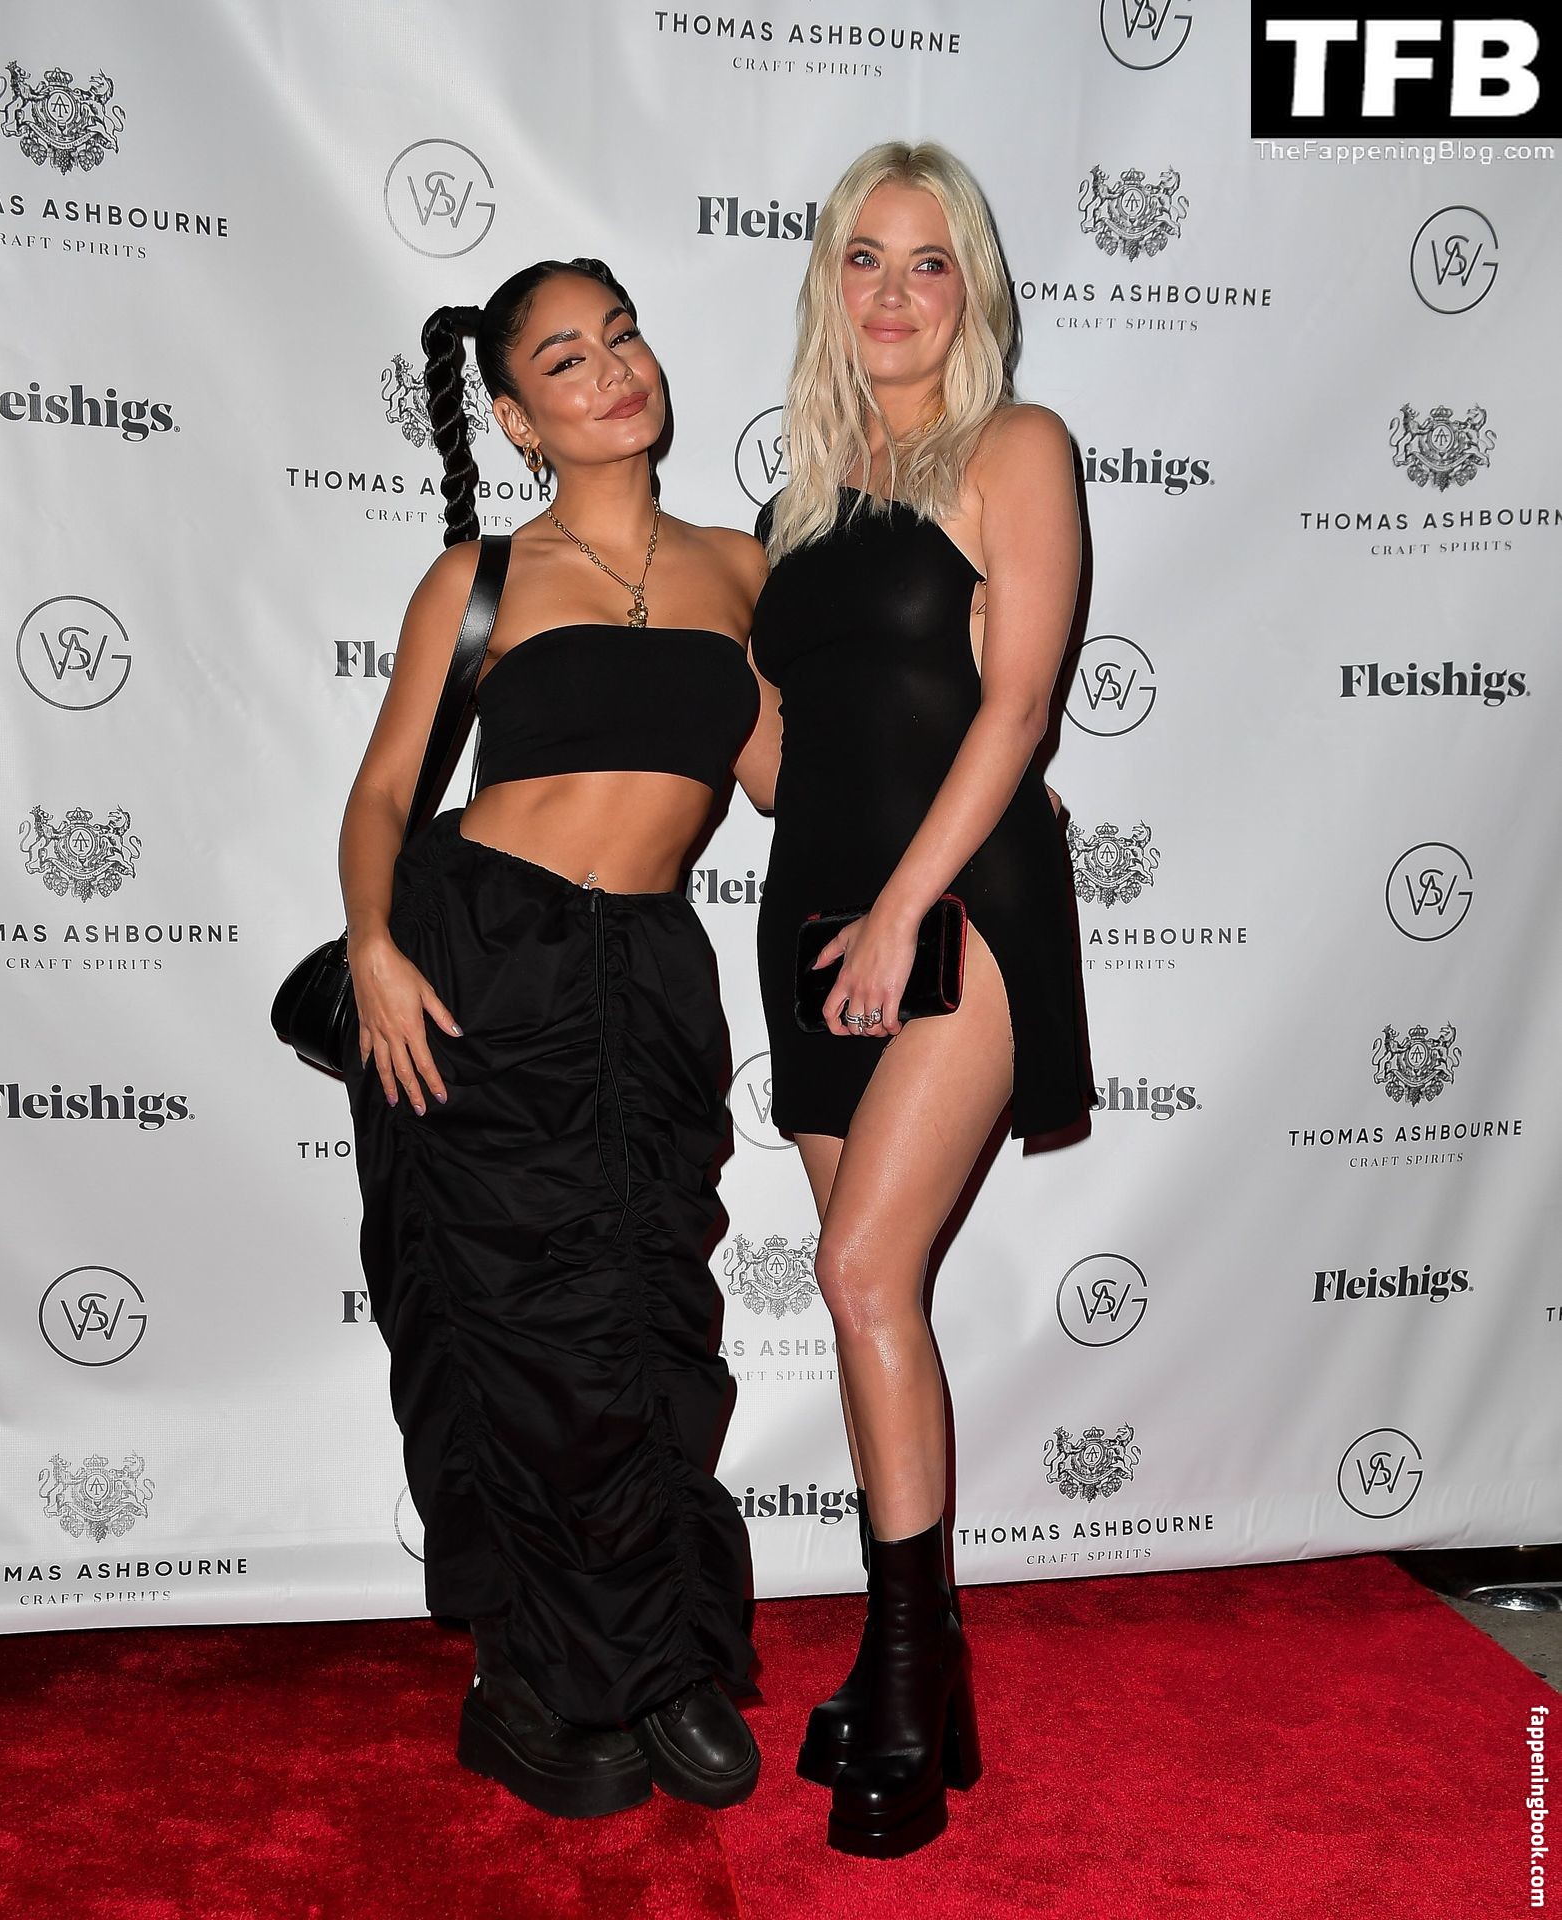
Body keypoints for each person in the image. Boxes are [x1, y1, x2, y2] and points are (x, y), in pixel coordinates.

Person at [337, 257, 775, 1819]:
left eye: (625, 335)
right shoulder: (479, 578)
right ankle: (526, 1682)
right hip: (478, 963)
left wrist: (974, 777)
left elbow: (793, 779)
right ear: (520, 420)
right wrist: (375, 949)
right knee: (518, 1343)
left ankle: (665, 1667)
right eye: (567, 359)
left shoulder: (744, 567)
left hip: (645, 977)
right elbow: (385, 793)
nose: (613, 370)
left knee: (650, 1328)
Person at [745, 142, 1090, 1857]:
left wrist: (901, 911)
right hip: (809, 922)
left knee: (861, 1270)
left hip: (960, 912)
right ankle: (927, 1667)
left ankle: (898, 1675)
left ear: (974, 289)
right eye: (866, 259)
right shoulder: (796, 508)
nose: (894, 292)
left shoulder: (1014, 449)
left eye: (930, 260)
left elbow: (1016, 707)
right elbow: (772, 763)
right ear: (830, 282)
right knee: (867, 1297)